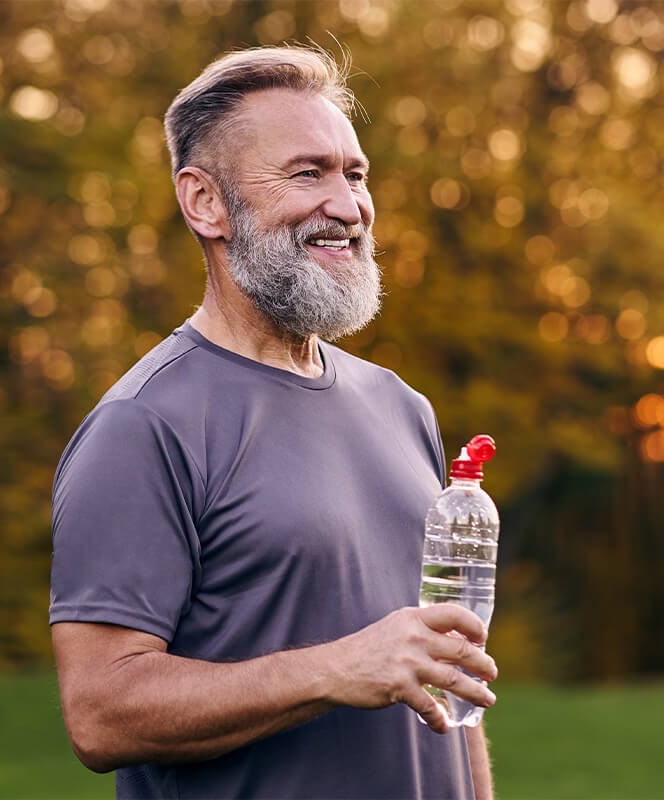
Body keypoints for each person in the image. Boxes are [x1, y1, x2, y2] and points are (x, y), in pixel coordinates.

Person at [50, 46, 498, 800]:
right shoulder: (144, 425)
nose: (349, 205)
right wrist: (338, 668)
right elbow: (101, 714)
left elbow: (443, 677)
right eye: (307, 173)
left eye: (354, 175)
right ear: (205, 203)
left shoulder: (401, 406)